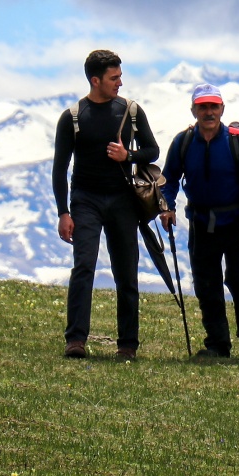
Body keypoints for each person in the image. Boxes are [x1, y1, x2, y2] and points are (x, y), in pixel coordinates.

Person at [53, 49, 159, 361]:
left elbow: (151, 151)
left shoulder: (131, 111)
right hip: (85, 200)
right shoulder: (73, 117)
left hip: (123, 200)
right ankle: (76, 340)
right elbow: (60, 168)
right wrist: (63, 212)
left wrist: (129, 156)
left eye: (120, 77)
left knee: (126, 272)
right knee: (84, 266)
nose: (120, 83)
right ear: (95, 80)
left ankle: (127, 345)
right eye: (114, 78)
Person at [159, 83, 239, 359]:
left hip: (236, 224)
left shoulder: (236, 141)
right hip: (201, 223)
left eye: (213, 106)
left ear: (222, 109)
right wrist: (166, 206)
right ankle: (218, 344)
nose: (208, 112)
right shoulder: (183, 142)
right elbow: (168, 180)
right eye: (203, 107)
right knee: (207, 285)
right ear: (194, 110)